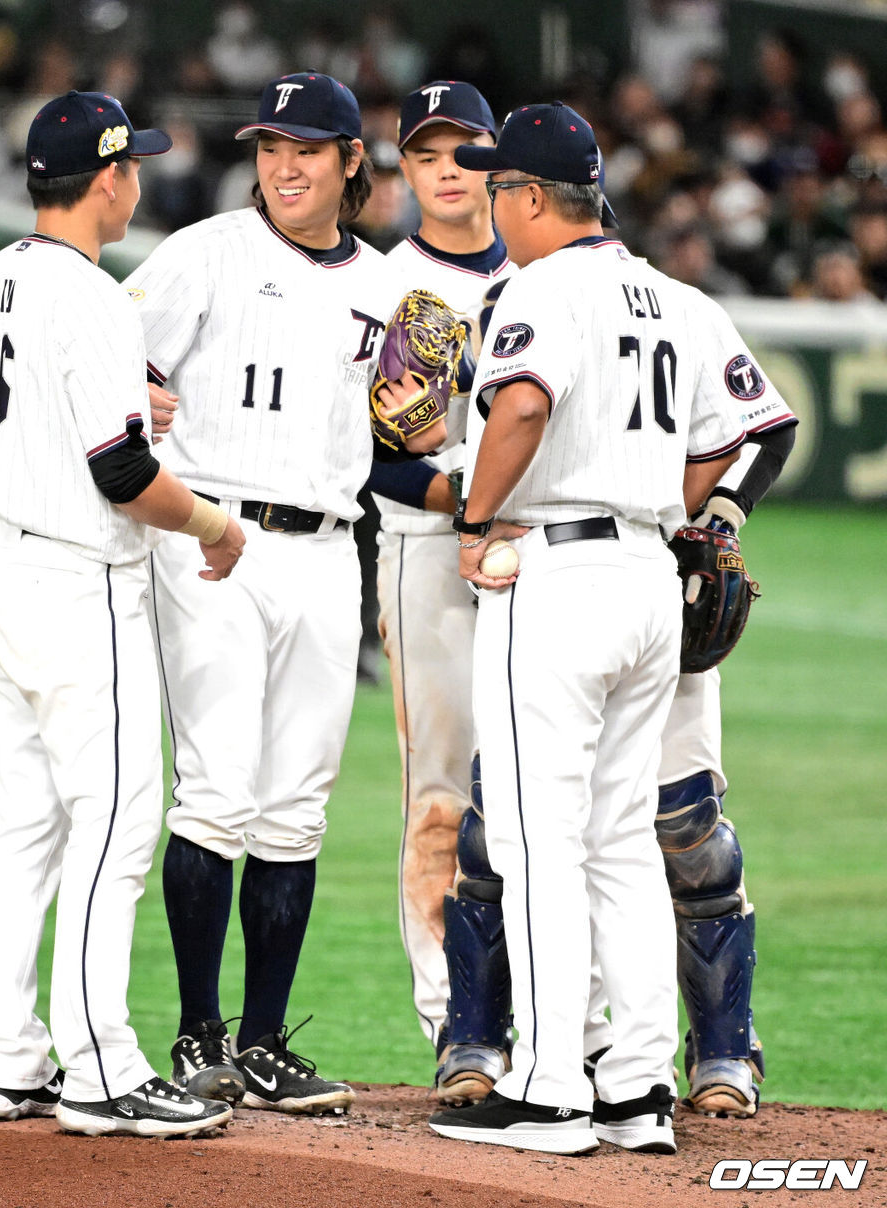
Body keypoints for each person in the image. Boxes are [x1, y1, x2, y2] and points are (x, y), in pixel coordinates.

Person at [427, 101, 749, 1155]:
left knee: (533, 835)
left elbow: (517, 404)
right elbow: (730, 440)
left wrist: (476, 519)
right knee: (619, 837)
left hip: (556, 577)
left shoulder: (539, 286)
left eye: (494, 184)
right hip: (648, 573)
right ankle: (637, 1087)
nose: (486, 197)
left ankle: (552, 1086)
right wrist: (657, 496)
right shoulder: (663, 294)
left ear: (527, 197)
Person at [0, 90, 245, 1139]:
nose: (139, 181)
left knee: (26, 824)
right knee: (116, 824)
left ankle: (6, 1058)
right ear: (111, 177)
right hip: (77, 585)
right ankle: (100, 1066)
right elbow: (123, 471)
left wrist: (133, 393)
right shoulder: (92, 295)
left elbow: (58, 410)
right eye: (134, 166)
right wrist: (212, 522)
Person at [125, 72, 412, 1116]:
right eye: (268, 146)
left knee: (296, 806)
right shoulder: (204, 251)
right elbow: (112, 363)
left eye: (306, 148)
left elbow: (403, 436)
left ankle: (261, 1041)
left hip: (330, 549)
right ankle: (197, 1031)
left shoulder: (385, 287)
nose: (283, 165)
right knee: (217, 791)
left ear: (349, 163)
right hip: (215, 537)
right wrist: (136, 385)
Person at [365, 80, 515, 1075]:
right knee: (441, 799)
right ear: (407, 170)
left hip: (544, 554)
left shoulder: (557, 272)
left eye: (466, 153)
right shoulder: (395, 288)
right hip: (428, 555)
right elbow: (385, 458)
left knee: (552, 798)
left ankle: (570, 1027)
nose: (448, 170)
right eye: (428, 155)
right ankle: (456, 1025)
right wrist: (469, 498)